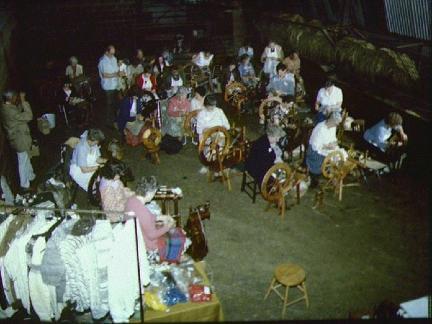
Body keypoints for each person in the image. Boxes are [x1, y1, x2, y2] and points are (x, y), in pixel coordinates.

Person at [124, 176, 176, 252]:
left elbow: (144, 219)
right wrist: (168, 226)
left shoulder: (131, 199)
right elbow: (152, 235)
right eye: (154, 193)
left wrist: (160, 217)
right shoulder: (143, 212)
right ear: (149, 193)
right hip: (148, 245)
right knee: (178, 237)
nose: (154, 195)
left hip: (136, 237)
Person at [0, 90, 35, 192]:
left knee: (25, 157)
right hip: (19, 139)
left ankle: (31, 175)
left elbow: (17, 113)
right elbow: (29, 116)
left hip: (18, 137)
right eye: (15, 97)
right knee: (22, 161)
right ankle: (24, 184)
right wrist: (24, 101)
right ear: (10, 98)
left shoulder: (6, 106)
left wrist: (19, 106)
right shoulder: (9, 111)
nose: (16, 98)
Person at [306, 112, 343, 187]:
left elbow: (333, 138)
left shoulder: (333, 126)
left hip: (327, 148)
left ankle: (334, 175)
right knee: (323, 161)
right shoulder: (320, 128)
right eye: (336, 123)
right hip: (315, 151)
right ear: (331, 120)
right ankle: (325, 174)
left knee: (340, 155)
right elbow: (315, 146)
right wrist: (327, 147)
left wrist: (334, 143)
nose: (337, 125)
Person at [98, 45, 123, 128]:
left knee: (116, 104)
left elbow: (115, 70)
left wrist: (119, 66)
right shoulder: (102, 61)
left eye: (114, 53)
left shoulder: (114, 58)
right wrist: (117, 74)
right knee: (109, 106)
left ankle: (116, 121)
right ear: (106, 52)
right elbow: (104, 75)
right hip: (108, 87)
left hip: (115, 85)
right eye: (111, 53)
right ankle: (108, 123)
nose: (113, 55)